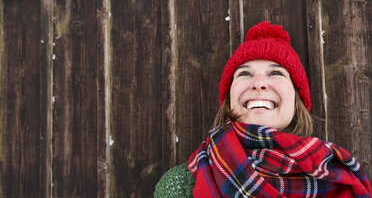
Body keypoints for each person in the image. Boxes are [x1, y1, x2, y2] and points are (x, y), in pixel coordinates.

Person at [154, 22, 372, 197]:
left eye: (275, 73)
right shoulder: (182, 184)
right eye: (245, 74)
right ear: (229, 98)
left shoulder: (339, 179)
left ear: (297, 99)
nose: (258, 83)